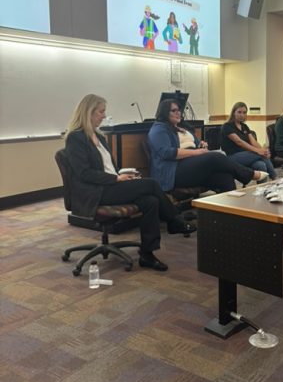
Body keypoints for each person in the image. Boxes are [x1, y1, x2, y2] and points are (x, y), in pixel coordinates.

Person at [65, 94, 192, 273]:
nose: (103, 115)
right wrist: (116, 179)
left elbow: (108, 167)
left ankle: (147, 254)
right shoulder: (75, 138)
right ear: (89, 112)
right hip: (96, 192)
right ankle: (175, 221)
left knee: (151, 201)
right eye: (101, 112)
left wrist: (123, 174)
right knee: (152, 184)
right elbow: (84, 173)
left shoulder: (99, 137)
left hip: (110, 185)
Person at [148, 99, 269, 193]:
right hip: (174, 171)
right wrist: (197, 152)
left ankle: (231, 216)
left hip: (192, 165)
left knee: (225, 178)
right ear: (164, 112)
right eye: (174, 110)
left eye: (179, 110)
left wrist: (200, 144)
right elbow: (166, 153)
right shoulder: (159, 129)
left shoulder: (181, 128)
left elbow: (195, 143)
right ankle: (249, 174)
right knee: (214, 156)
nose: (178, 113)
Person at [221, 102, 276, 180]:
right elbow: (239, 142)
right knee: (260, 154)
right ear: (233, 113)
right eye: (239, 112)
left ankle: (262, 189)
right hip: (233, 157)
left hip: (248, 156)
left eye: (244, 112)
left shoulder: (244, 126)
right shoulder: (226, 126)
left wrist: (263, 151)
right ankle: (275, 178)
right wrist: (259, 151)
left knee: (261, 165)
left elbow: (253, 142)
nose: (242, 115)